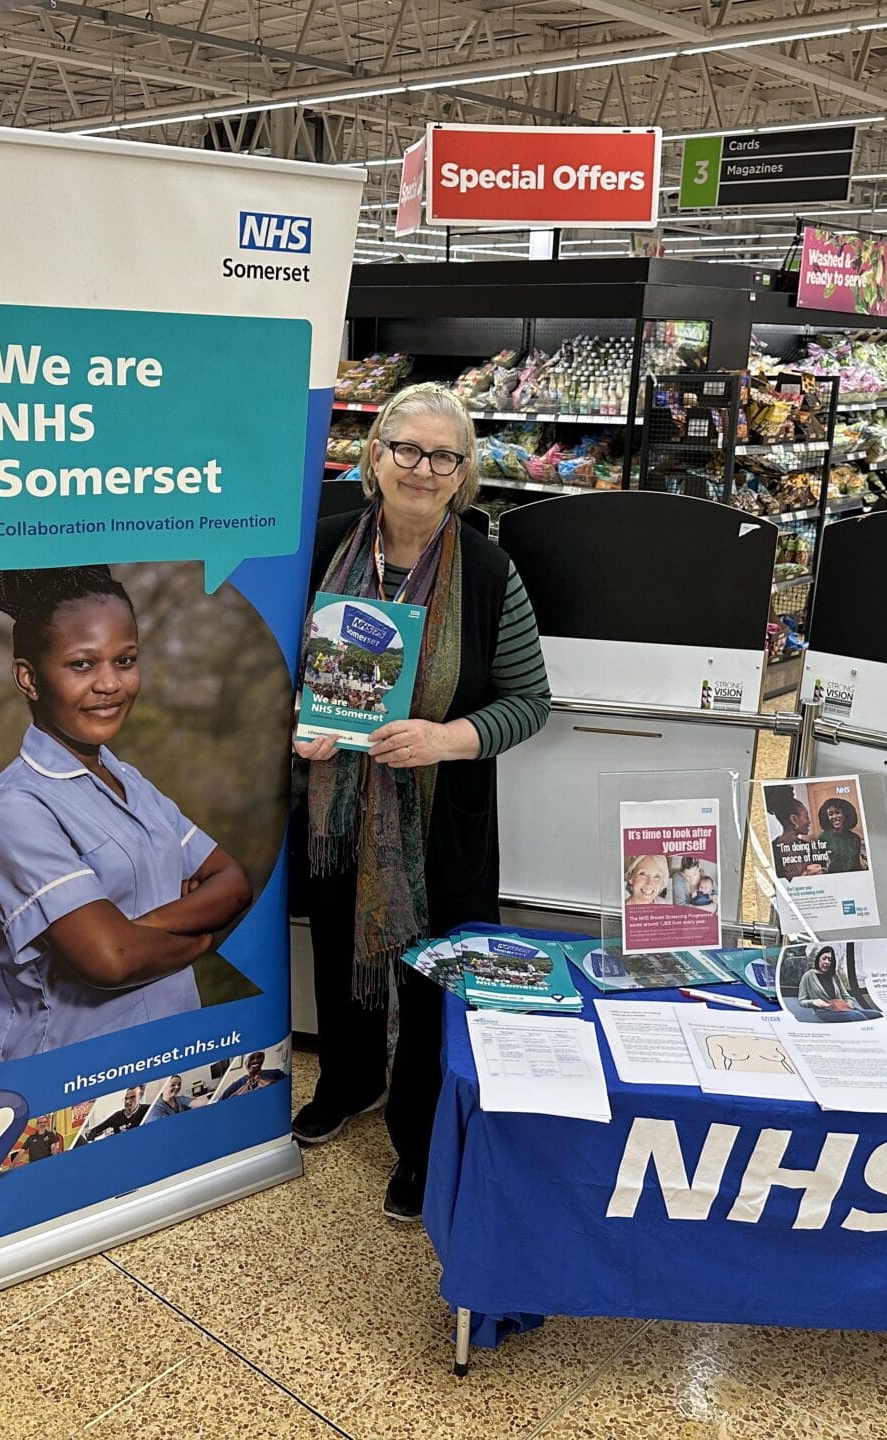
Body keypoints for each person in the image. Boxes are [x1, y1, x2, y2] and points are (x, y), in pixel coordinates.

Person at [290, 382, 551, 1221]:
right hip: (339, 804)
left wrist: (445, 738)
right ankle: (350, 1078)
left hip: (441, 812)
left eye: (444, 455)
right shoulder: (326, 547)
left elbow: (528, 700)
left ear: (463, 473)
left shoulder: (486, 569)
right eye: (407, 448)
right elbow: (287, 677)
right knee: (339, 943)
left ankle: (421, 1134)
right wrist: (302, 728)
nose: (423, 468)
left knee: (437, 974)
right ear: (376, 456)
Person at [0, 566, 254, 1062]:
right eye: (81, 665)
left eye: (125, 660)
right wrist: (201, 937)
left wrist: (134, 928)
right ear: (28, 678)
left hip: (169, 1052)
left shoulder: (129, 781)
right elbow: (110, 961)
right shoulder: (13, 811)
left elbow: (232, 882)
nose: (110, 684)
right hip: (72, 1076)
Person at [795, 946, 875, 1022]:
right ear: (818, 959)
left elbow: (846, 996)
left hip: (842, 1009)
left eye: (830, 960)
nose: (826, 962)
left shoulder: (834, 976)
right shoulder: (808, 976)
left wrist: (849, 1002)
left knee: (876, 1014)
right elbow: (802, 1001)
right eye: (824, 958)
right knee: (856, 1016)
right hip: (824, 1012)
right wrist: (814, 1002)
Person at [765, 788, 824, 878]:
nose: (809, 822)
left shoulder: (810, 847)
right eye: (806, 817)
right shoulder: (771, 852)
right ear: (794, 819)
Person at [814, 796, 868, 873]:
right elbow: (818, 863)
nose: (834, 817)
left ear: (845, 814)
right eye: (831, 814)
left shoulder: (855, 838)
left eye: (837, 812)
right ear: (826, 817)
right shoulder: (822, 837)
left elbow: (856, 862)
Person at [81, 1085, 150, 1141]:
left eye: (132, 1098)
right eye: (126, 1098)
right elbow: (95, 1130)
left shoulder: (147, 1109)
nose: (127, 1102)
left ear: (140, 1097)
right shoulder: (117, 1116)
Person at [216, 1049, 286, 1099]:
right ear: (245, 1062)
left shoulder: (276, 1073)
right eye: (252, 1058)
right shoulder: (236, 1085)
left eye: (259, 1057)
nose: (255, 1060)